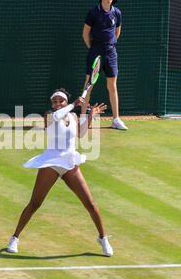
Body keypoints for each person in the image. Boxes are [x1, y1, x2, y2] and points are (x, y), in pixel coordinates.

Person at [6, 88, 113, 257]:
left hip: (70, 162)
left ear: (64, 101)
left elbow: (80, 134)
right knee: (35, 203)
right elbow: (57, 116)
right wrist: (73, 104)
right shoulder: (50, 115)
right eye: (54, 101)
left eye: (60, 101)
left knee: (90, 203)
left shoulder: (73, 116)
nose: (57, 104)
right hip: (51, 162)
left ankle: (102, 237)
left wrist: (91, 115)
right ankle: (14, 238)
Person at [82, 0, 127, 131]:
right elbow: (85, 34)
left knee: (112, 86)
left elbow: (117, 32)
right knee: (88, 85)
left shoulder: (117, 13)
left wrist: (110, 45)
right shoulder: (93, 13)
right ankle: (83, 119)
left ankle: (116, 119)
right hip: (96, 51)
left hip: (111, 52)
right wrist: (93, 49)